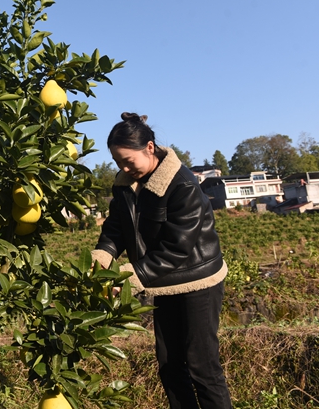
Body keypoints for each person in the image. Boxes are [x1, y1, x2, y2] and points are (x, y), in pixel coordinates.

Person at [91, 112, 232, 409]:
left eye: (129, 160)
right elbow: (116, 228)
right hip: (163, 282)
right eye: (118, 163)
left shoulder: (182, 185)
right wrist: (103, 255)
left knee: (202, 366)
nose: (125, 168)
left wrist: (130, 275)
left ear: (150, 148)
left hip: (197, 281)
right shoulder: (125, 186)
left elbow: (178, 248)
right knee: (170, 365)